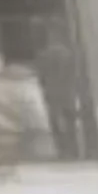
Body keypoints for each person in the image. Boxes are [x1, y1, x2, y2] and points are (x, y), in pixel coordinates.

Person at [35, 31, 81, 160]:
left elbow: (41, 77)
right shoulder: (69, 55)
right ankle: (74, 149)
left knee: (55, 122)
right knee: (70, 121)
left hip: (52, 92)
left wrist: (45, 89)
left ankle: (62, 150)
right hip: (67, 92)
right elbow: (74, 74)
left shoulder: (43, 56)